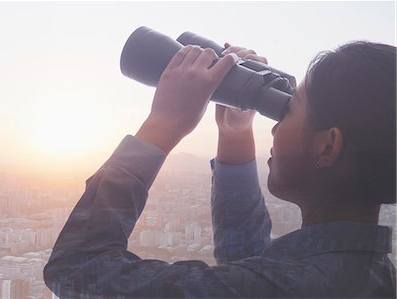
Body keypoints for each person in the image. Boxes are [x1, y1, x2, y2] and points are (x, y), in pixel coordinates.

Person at [44, 41, 396, 298]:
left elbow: (77, 269)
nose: (273, 127)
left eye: (290, 109)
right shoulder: (360, 271)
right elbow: (250, 264)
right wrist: (235, 132)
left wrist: (163, 124)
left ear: (328, 146)